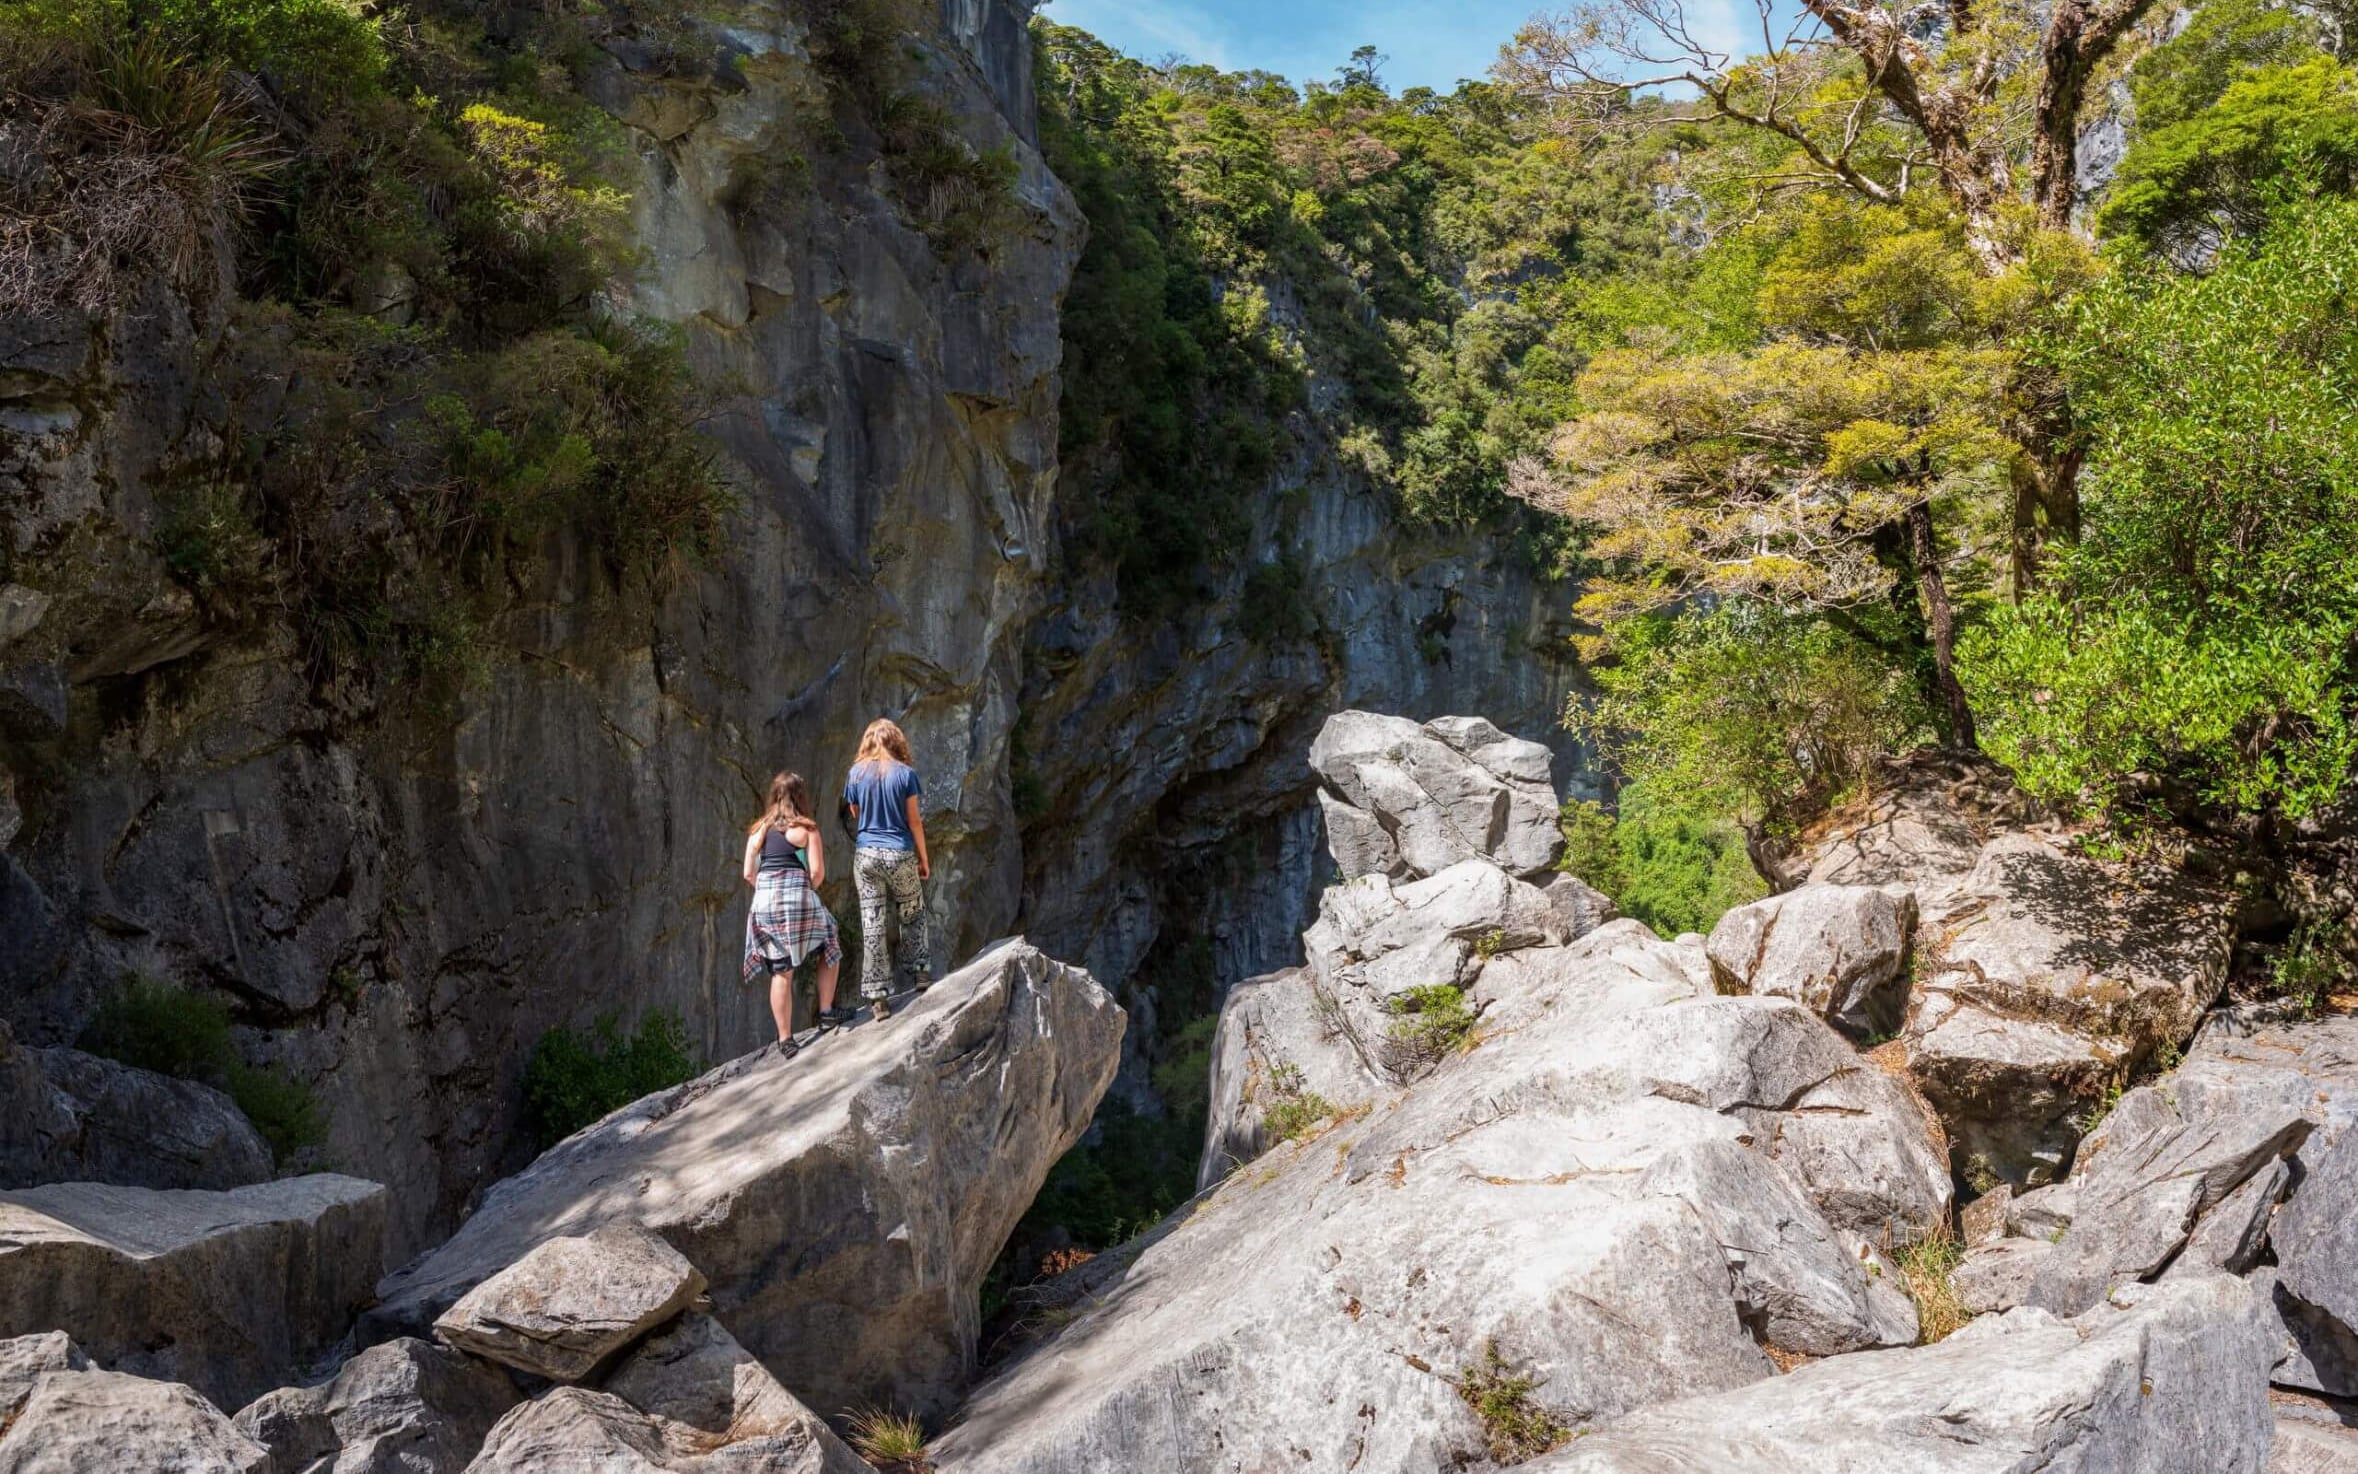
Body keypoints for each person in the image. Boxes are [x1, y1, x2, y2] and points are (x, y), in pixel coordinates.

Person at [740, 770, 846, 1040]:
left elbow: (748, 874)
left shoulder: (758, 832)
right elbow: (818, 873)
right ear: (800, 797)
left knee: (781, 971)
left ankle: (785, 1039)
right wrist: (799, 892)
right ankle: (826, 1013)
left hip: (764, 902)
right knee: (830, 939)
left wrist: (769, 890)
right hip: (797, 897)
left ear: (774, 796)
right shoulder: (806, 829)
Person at [843, 718, 930, 1020]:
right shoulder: (906, 775)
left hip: (866, 855)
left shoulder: (856, 774)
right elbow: (914, 820)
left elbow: (855, 812)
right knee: (912, 909)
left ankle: (878, 998)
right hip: (899, 852)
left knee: (872, 922)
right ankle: (919, 971)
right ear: (896, 741)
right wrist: (923, 857)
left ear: (867, 742)